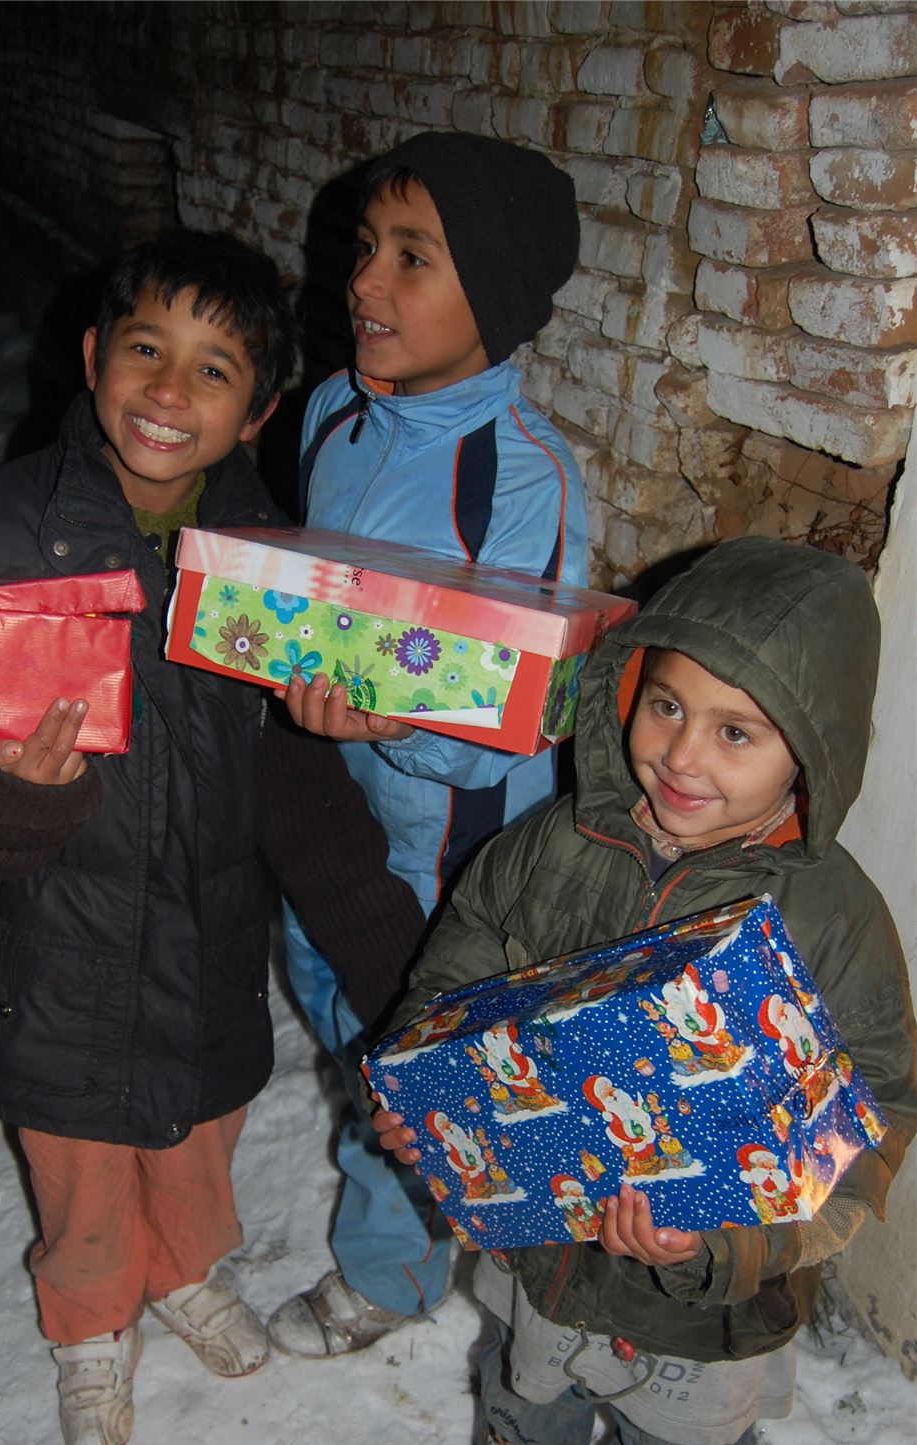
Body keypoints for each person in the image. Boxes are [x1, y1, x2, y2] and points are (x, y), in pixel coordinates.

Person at [373, 538, 916, 1445]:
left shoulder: (833, 916)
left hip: (710, 1283)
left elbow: (876, 1109)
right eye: (664, 705)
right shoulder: (555, 840)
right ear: (625, 685)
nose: (681, 757)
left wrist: (726, 1244)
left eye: (736, 732)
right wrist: (427, 1091)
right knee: (528, 1374)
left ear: (807, 755)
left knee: (687, 1425)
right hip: (551, 1237)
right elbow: (466, 952)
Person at [0, 232, 295, 1445]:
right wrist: (10, 793)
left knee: (194, 1137)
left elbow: (288, 763)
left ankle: (181, 1273)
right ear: (91, 357)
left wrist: (343, 715)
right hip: (56, 937)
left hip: (213, 927)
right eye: (147, 350)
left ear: (256, 411)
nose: (172, 392)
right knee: (77, 1162)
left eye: (216, 370)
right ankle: (88, 1323)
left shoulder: (268, 554)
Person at [260, 130, 589, 1357]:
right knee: (339, 1008)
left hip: (441, 844)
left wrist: (400, 722)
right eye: (367, 251)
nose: (365, 284)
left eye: (414, 258)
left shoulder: (522, 484)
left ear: (492, 297)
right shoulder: (339, 412)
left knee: (405, 1059)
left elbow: (518, 711)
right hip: (329, 808)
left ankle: (393, 1271)